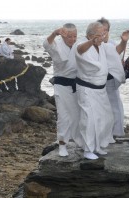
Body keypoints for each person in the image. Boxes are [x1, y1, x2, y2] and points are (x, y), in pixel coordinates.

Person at [75, 22, 115, 160]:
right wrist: (92, 41)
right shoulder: (82, 44)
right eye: (100, 34)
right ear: (91, 35)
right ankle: (87, 149)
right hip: (87, 89)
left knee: (105, 118)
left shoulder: (102, 46)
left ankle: (98, 146)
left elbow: (115, 53)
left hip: (100, 90)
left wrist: (124, 41)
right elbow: (79, 50)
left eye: (104, 34)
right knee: (89, 120)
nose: (103, 37)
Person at [43, 23, 80, 157]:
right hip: (61, 85)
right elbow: (46, 45)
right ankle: (62, 144)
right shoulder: (57, 44)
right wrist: (54, 33)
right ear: (63, 35)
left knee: (77, 115)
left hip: (76, 85)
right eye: (69, 36)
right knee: (63, 116)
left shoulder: (78, 45)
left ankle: (76, 140)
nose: (72, 39)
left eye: (75, 36)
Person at [97, 17, 129, 138]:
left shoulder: (110, 44)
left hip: (111, 81)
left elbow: (117, 50)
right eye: (102, 30)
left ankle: (116, 133)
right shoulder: (93, 44)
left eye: (106, 30)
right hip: (97, 83)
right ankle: (103, 135)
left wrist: (124, 41)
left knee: (116, 108)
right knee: (101, 111)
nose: (104, 32)